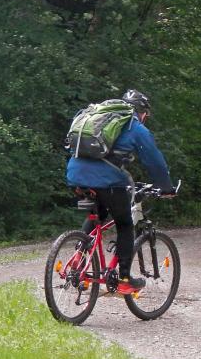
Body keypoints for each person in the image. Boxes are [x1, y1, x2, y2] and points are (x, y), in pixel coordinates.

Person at [66, 89, 174, 295]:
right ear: (142, 112)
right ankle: (124, 278)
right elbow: (154, 160)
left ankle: (79, 257)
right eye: (146, 115)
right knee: (125, 224)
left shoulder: (97, 118)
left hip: (75, 174)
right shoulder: (135, 127)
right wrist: (166, 186)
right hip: (106, 181)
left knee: (98, 214)